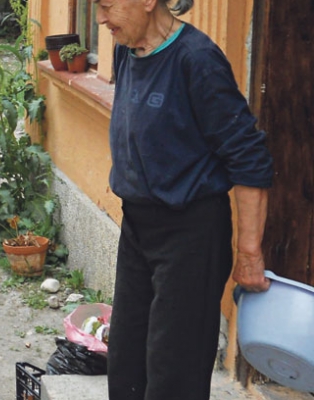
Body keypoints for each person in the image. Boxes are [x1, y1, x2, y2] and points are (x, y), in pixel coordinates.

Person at [95, 0, 274, 399]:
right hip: (138, 229)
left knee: (173, 374)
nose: (100, 19)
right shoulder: (126, 50)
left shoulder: (197, 60)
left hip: (190, 235)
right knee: (125, 365)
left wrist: (249, 253)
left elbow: (250, 158)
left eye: (106, 5)